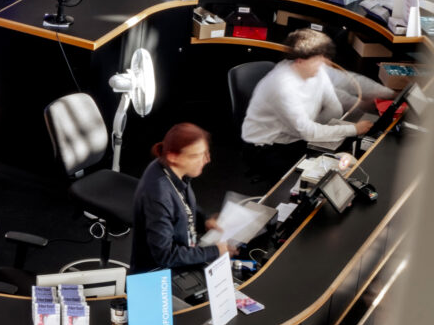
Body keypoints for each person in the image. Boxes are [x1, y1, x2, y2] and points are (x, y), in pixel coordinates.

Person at [242, 29, 375, 176]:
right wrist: (354, 130)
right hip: (268, 148)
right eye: (319, 61)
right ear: (300, 61)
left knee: (337, 158)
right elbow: (308, 132)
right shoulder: (282, 87)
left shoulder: (312, 70)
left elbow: (334, 106)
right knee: (315, 176)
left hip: (294, 138)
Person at [131, 123, 235, 273]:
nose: (206, 160)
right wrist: (215, 251)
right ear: (174, 157)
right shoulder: (158, 195)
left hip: (180, 258)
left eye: (205, 153)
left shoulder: (172, 171)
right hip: (158, 273)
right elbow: (165, 255)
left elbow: (181, 205)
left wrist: (204, 221)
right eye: (196, 155)